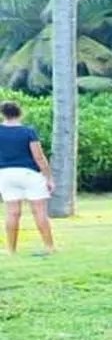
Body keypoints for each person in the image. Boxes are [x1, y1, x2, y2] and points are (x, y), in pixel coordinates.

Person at [1, 100, 56, 256]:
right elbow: (38, 157)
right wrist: (49, 178)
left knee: (12, 213)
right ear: (20, 113)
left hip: (5, 174)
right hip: (28, 174)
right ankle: (49, 247)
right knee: (39, 212)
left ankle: (11, 250)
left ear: (3, 114)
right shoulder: (28, 131)